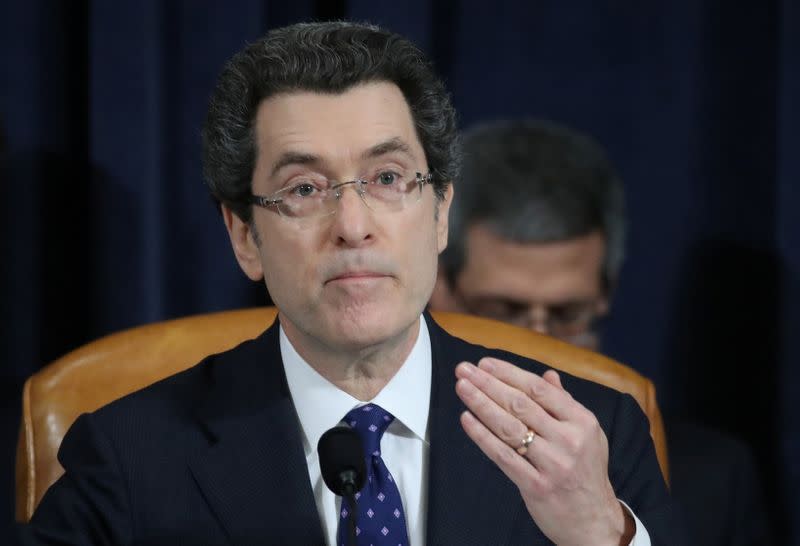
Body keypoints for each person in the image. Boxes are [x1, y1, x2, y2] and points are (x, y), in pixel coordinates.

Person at [19, 23, 677, 545]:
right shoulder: (131, 455)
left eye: (388, 179)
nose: (353, 226)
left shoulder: (594, 433)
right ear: (245, 236)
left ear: (441, 211)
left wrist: (599, 534)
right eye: (304, 189)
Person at [429, 119, 771, 545]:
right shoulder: (379, 442)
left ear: (605, 294)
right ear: (437, 283)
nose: (540, 342)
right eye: (501, 311)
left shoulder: (710, 480)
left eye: (568, 313)